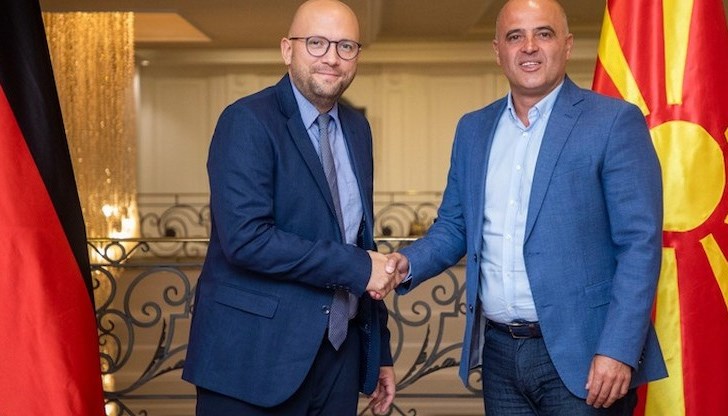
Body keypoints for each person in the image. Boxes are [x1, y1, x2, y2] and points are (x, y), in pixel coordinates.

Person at [385, 0, 667, 414]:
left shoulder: (612, 122)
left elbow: (639, 245)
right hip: (500, 355)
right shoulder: (473, 129)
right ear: (497, 50)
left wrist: (618, 349)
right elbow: (454, 227)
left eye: (544, 34)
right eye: (515, 36)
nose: (529, 46)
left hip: (586, 355)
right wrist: (405, 264)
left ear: (567, 45)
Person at [182, 1, 401, 414]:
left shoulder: (358, 129)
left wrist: (380, 351)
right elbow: (247, 240)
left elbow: (358, 238)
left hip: (339, 357)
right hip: (252, 360)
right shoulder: (246, 120)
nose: (332, 58)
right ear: (287, 50)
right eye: (317, 43)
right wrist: (357, 266)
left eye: (346, 46)